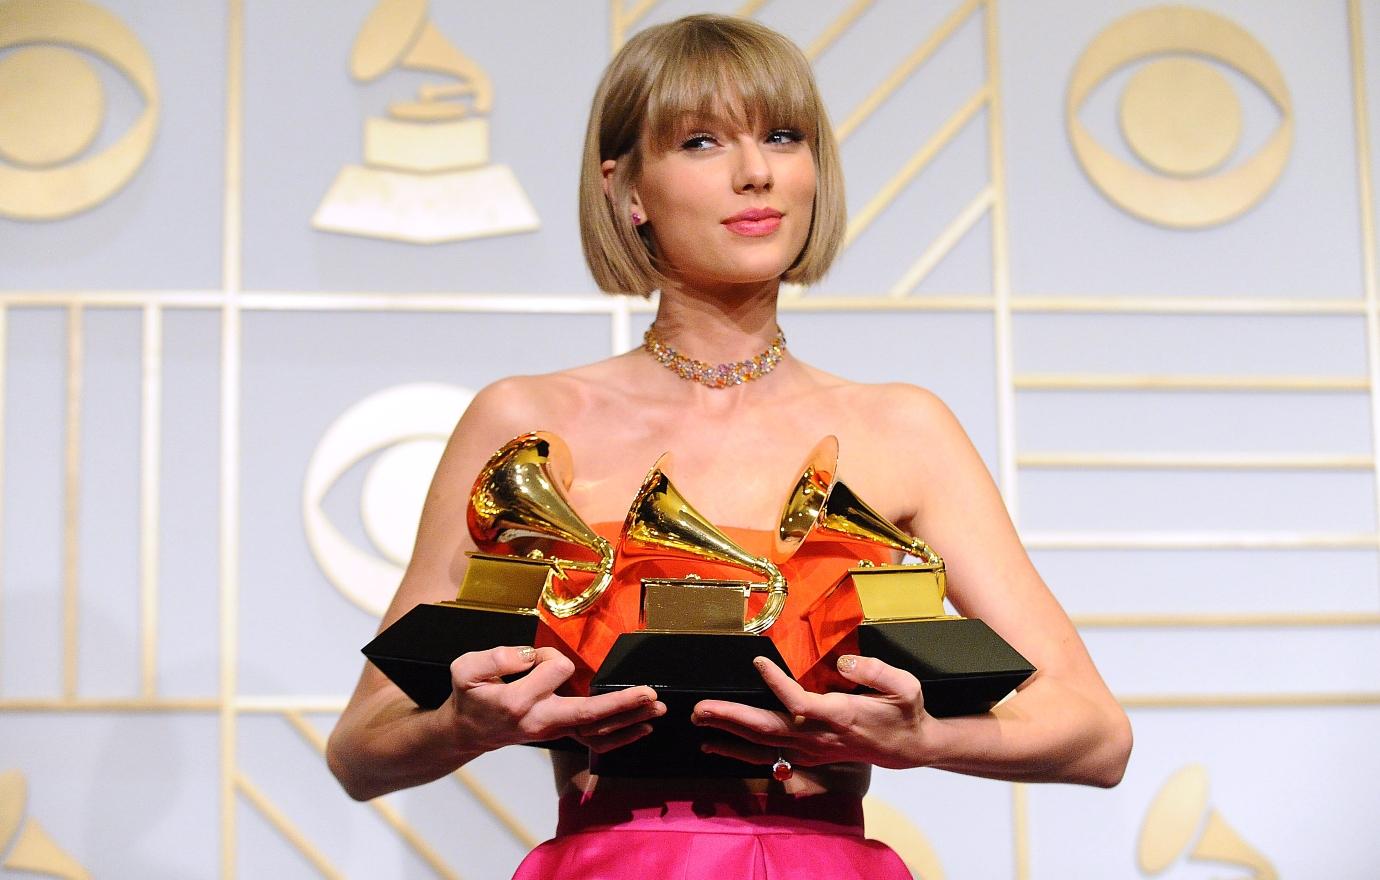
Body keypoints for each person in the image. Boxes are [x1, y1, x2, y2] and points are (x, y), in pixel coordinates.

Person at [327, 13, 1132, 878]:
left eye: (784, 137)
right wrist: (460, 726)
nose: (756, 173)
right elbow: (362, 748)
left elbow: (1096, 735)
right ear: (627, 190)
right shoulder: (526, 424)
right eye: (703, 142)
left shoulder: (902, 428)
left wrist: (924, 738)